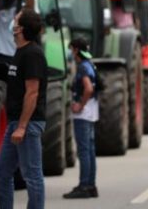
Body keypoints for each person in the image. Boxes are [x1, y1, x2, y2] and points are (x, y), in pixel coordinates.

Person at [0, 8, 47, 209]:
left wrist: (22, 127)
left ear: (20, 28)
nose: (12, 24)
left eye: (15, 21)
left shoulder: (32, 54)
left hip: (28, 125)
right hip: (16, 123)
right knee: (2, 171)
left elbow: (32, 93)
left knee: (32, 175)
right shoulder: (20, 52)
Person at [63, 38, 99, 200]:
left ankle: (84, 186)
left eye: (72, 49)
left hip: (84, 115)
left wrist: (80, 105)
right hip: (92, 113)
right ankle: (90, 185)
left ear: (76, 50)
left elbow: (88, 88)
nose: (71, 53)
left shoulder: (83, 67)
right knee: (90, 151)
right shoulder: (90, 64)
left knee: (84, 151)